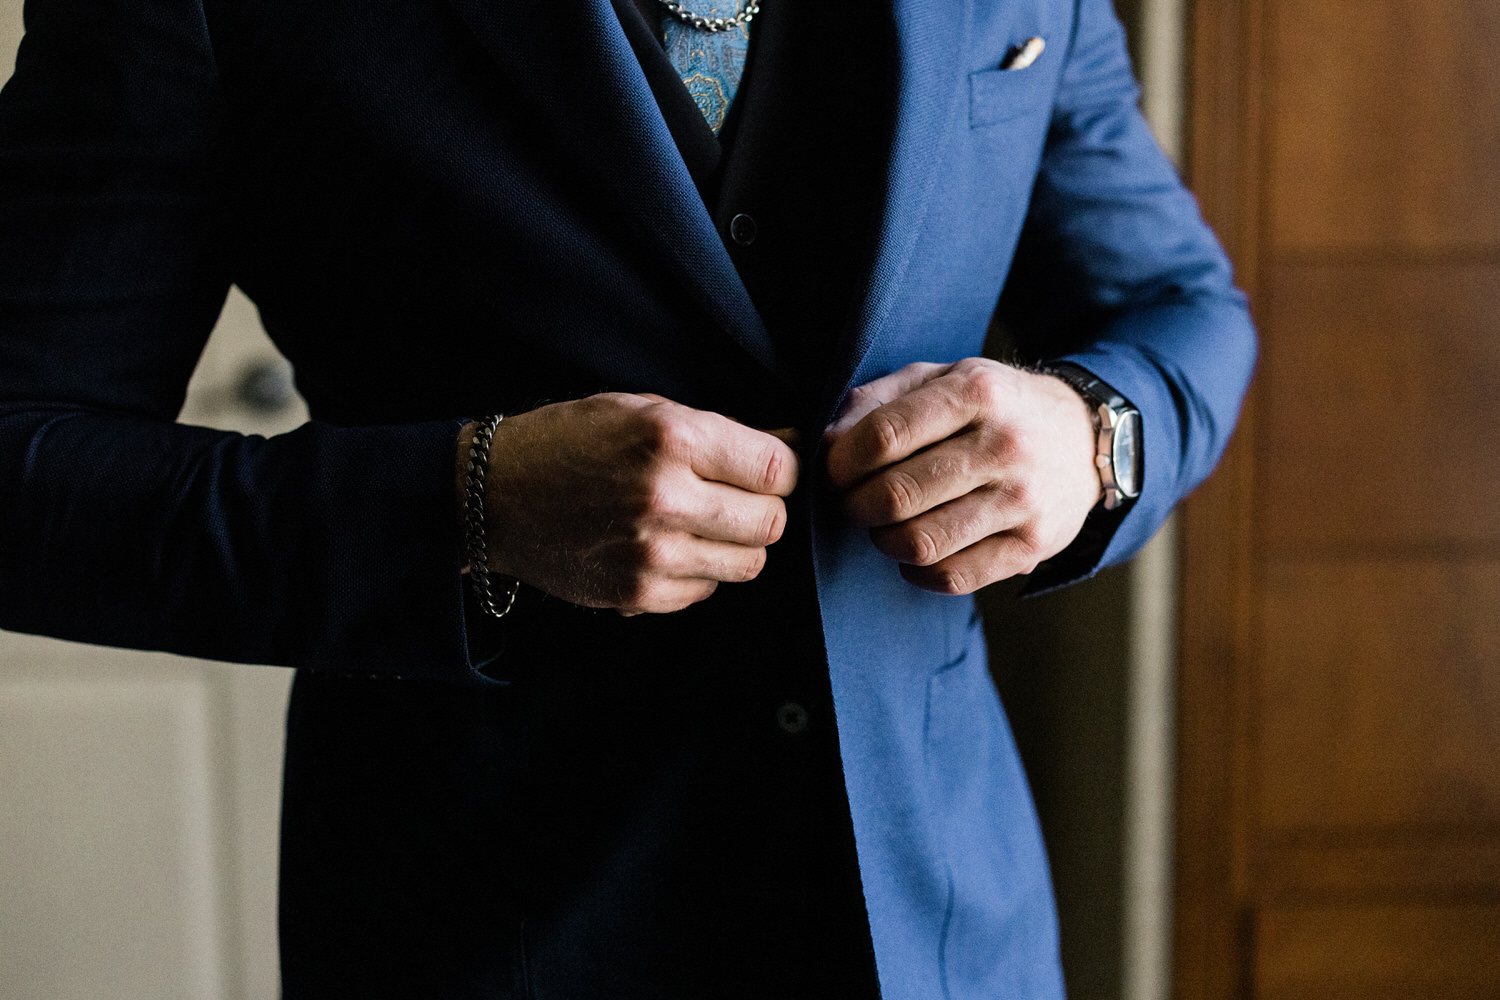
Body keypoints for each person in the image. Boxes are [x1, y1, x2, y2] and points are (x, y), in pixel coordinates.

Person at [0, 0, 1255, 996]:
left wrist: (1095, 436)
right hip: (487, 934)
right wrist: (462, 509)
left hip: (943, 932)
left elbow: (1183, 309)